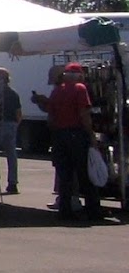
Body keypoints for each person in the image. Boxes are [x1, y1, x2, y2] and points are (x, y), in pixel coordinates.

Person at [37, 62, 100, 222]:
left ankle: (65, 210)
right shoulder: (80, 89)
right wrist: (91, 134)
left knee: (65, 176)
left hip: (59, 135)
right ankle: (93, 210)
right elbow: (83, 113)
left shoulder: (57, 91)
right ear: (79, 75)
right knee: (84, 173)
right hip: (76, 134)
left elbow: (51, 116)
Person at [0, 67, 22, 195]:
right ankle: (13, 183)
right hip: (11, 124)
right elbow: (19, 113)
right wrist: (15, 125)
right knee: (11, 155)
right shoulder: (13, 93)